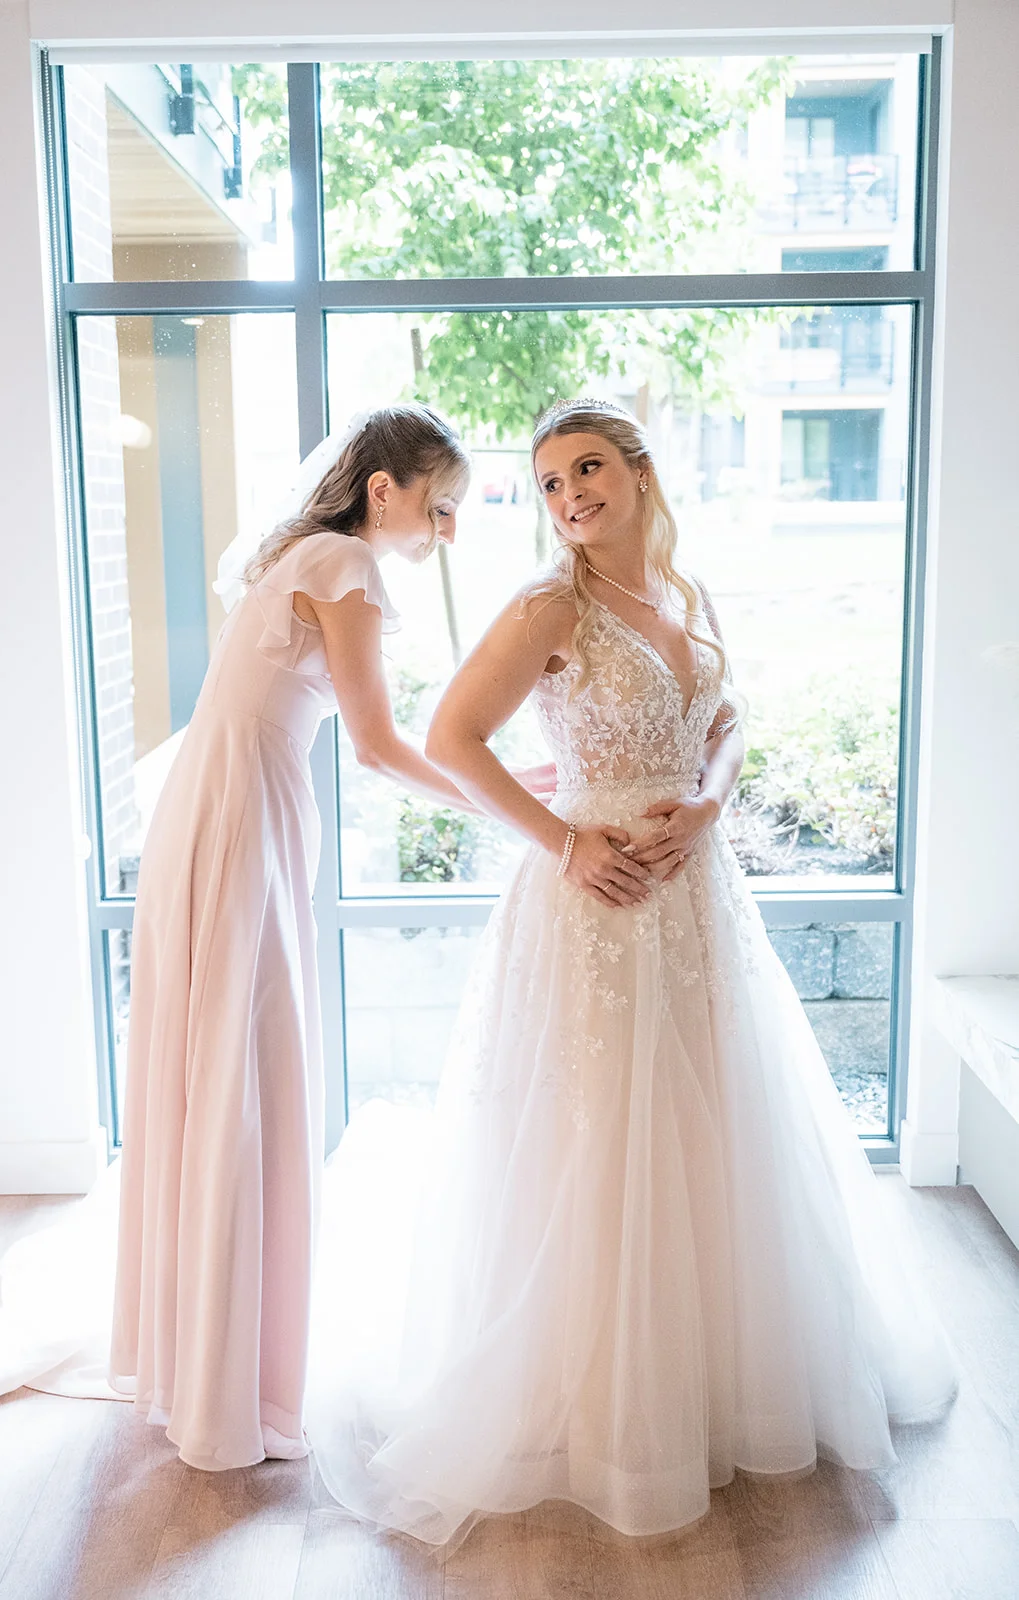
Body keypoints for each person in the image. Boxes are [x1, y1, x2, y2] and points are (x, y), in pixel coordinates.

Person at [305, 398, 957, 1547]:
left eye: (588, 468)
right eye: (549, 482)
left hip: (698, 899)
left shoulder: (685, 597)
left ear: (641, 472)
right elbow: (452, 736)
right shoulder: (546, 604)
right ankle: (599, 1404)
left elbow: (729, 715)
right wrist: (564, 839)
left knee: (712, 1133)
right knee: (596, 1138)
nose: (568, 498)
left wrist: (711, 797)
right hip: (592, 902)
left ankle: (716, 1388)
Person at [0, 405, 519, 1471]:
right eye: (439, 506)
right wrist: (495, 803)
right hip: (240, 819)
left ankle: (208, 1353)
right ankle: (225, 1380)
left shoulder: (300, 553)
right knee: (240, 1074)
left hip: (217, 810)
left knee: (221, 1065)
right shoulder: (344, 566)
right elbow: (372, 744)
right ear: (383, 491)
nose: (445, 531)